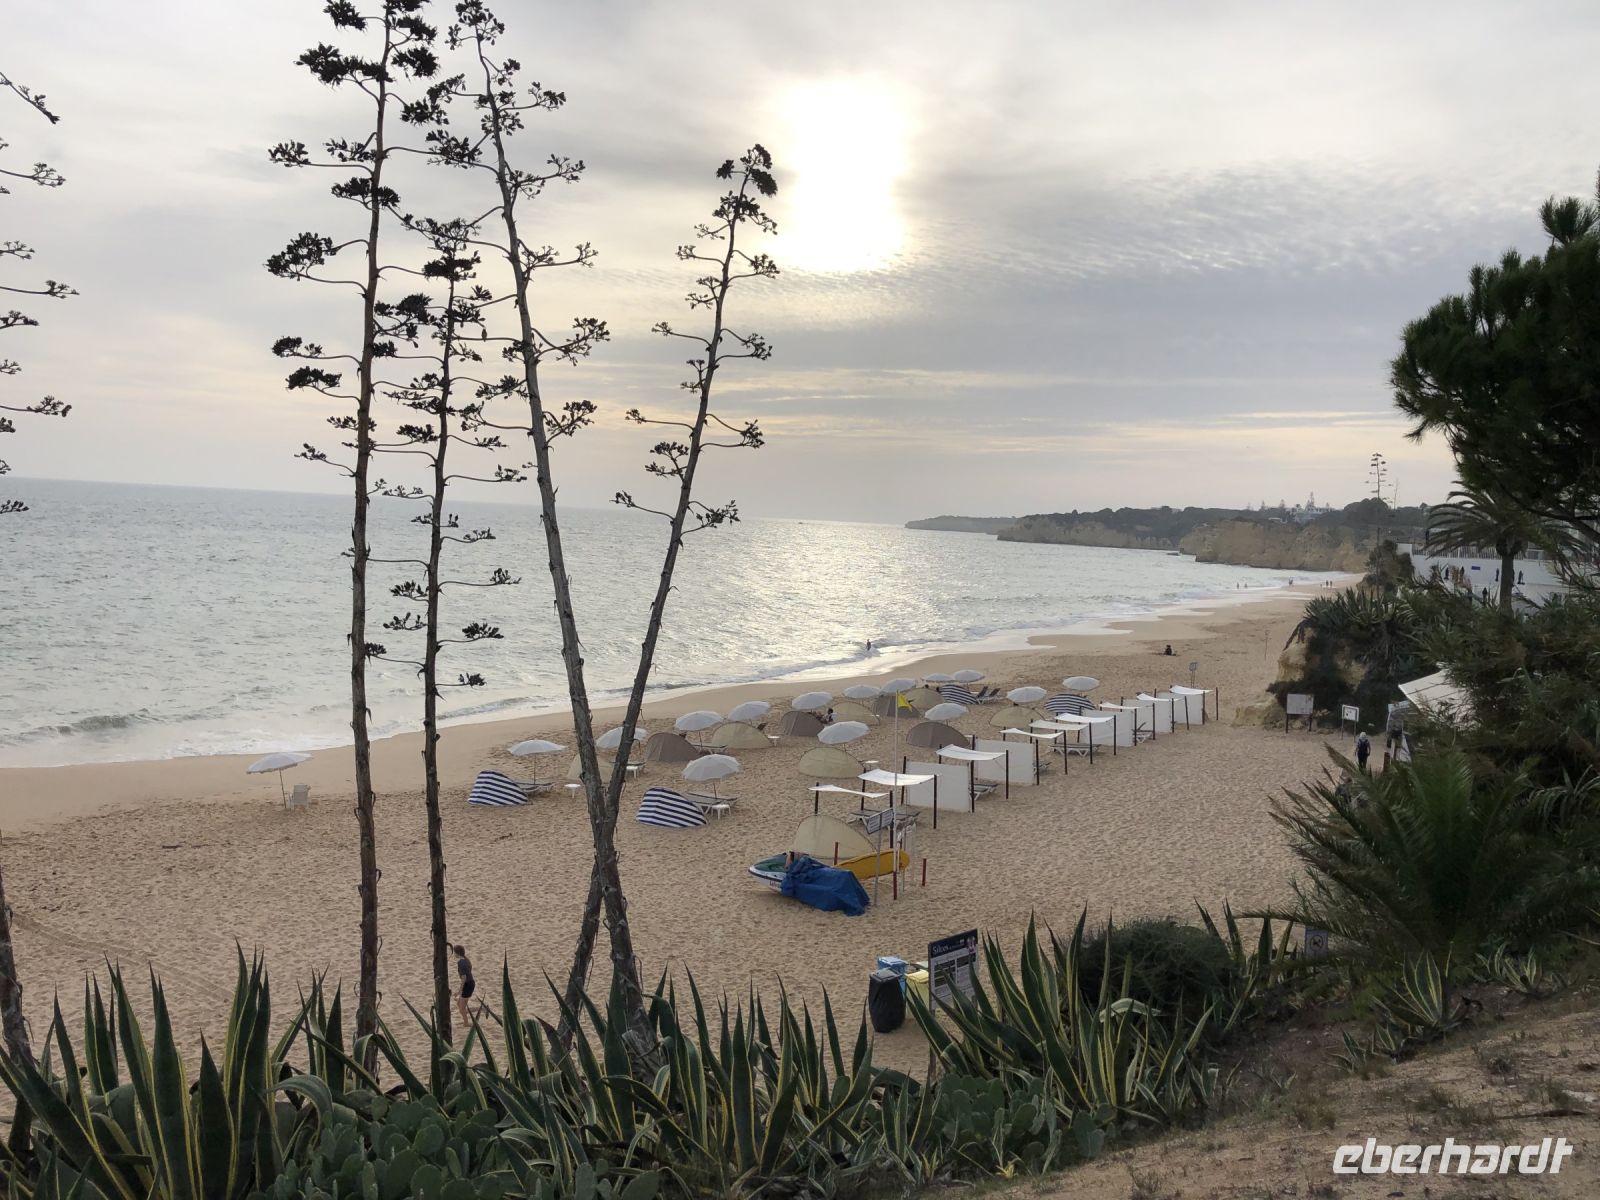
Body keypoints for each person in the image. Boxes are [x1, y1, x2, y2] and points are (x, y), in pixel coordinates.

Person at [453, 943, 476, 1030]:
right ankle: (467, 1014)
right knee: (459, 1004)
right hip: (469, 984)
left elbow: (464, 978)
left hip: (468, 985)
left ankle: (466, 1023)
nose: (454, 954)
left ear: (457, 953)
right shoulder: (466, 960)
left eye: (454, 952)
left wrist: (459, 991)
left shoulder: (461, 963)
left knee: (461, 1008)